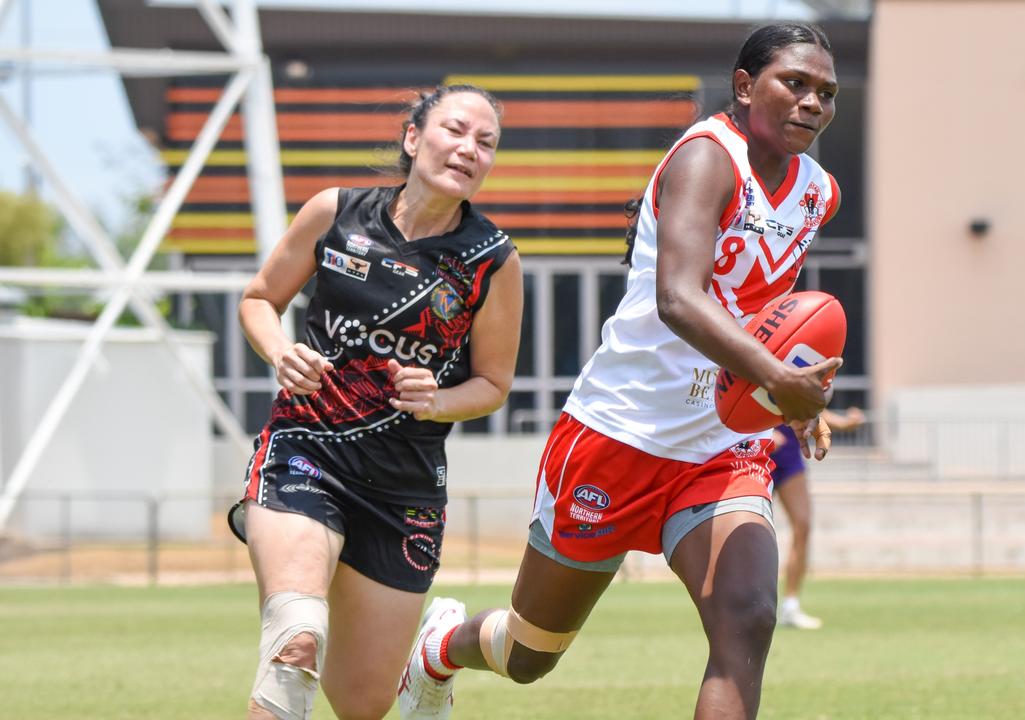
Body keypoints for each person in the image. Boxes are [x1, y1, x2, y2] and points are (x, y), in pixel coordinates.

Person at [397, 23, 842, 720]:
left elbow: (769, 313)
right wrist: (776, 378)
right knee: (529, 655)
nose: (813, 102)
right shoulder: (705, 158)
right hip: (616, 436)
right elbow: (679, 300)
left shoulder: (818, 192)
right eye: (796, 83)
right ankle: (442, 647)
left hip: (718, 448)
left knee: (747, 618)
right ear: (745, 85)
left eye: (826, 92)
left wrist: (796, 391)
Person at [229, 84, 522, 720]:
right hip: (307, 450)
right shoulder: (334, 211)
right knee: (295, 640)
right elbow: (258, 300)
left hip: (403, 487)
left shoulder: (493, 260)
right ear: (414, 138)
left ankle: (429, 659)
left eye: (486, 142)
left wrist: (438, 399)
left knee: (362, 705)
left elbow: (494, 386)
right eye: (455, 130)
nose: (469, 148)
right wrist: (279, 350)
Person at [772, 407, 864, 630]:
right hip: (757, 453)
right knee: (750, 533)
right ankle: (738, 604)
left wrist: (843, 424)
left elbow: (808, 406)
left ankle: (790, 607)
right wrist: (761, 433)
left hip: (790, 457)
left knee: (802, 525)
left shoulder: (802, 371)